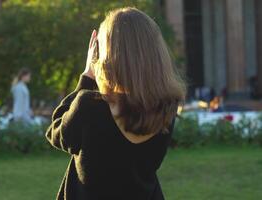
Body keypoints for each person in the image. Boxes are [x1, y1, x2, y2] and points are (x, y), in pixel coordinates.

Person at [46, 7, 186, 200]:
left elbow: (56, 133)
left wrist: (87, 77)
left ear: (106, 55)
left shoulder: (89, 106)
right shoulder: (166, 108)